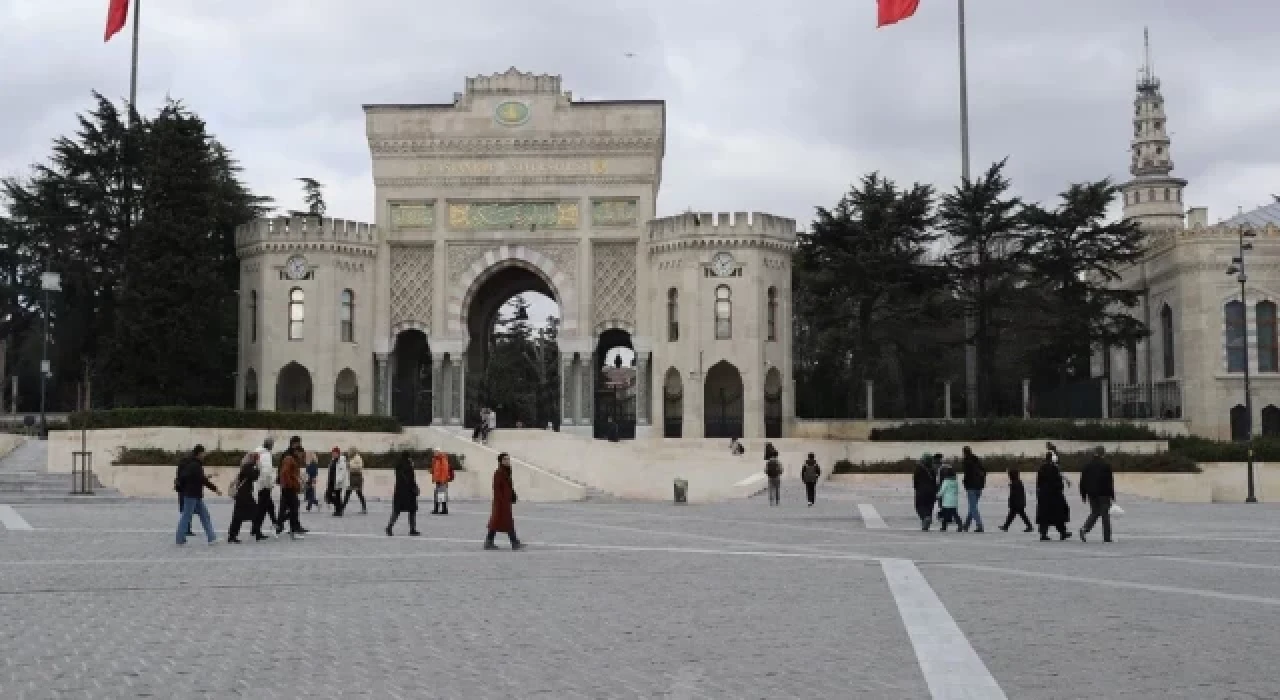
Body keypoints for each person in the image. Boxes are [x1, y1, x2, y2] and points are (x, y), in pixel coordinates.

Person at [175, 445, 221, 545]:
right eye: (204, 453)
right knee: (187, 516)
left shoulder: (192, 464)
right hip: (192, 495)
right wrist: (215, 489)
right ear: (199, 453)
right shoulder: (195, 465)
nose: (205, 455)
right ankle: (179, 538)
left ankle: (212, 538)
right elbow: (202, 480)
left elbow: (196, 478)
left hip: (194, 495)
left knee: (205, 516)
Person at [485, 452, 524, 550]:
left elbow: (509, 486)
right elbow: (496, 489)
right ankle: (514, 543)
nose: (507, 461)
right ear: (500, 461)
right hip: (501, 502)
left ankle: (488, 542)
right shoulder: (498, 472)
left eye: (508, 459)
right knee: (507, 522)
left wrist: (512, 495)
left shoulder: (506, 471)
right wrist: (501, 501)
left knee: (497, 522)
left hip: (505, 501)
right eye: (505, 459)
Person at [1079, 446, 1116, 543]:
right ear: (1103, 453)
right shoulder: (1106, 465)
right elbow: (1109, 481)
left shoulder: (1087, 465)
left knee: (1095, 512)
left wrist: (1083, 494)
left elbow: (1083, 481)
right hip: (1103, 493)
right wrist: (1112, 495)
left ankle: (1084, 529)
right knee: (1105, 515)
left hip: (1091, 493)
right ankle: (1107, 537)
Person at [1036, 451, 1073, 541]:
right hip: (1054, 494)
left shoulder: (1041, 468)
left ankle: (1044, 533)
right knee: (1059, 513)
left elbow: (1039, 483)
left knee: (1045, 514)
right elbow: (1058, 482)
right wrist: (1060, 488)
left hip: (1044, 494)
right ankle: (1062, 532)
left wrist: (1039, 493)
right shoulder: (1054, 469)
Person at [227, 451, 261, 543]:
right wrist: (258, 468)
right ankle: (257, 533)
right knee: (254, 512)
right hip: (244, 495)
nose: (257, 461)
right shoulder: (247, 467)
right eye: (256, 459)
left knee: (238, 516)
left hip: (243, 495)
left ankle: (232, 535)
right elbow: (254, 476)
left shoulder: (246, 466)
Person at [251, 437, 280, 540]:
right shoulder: (266, 455)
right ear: (270, 445)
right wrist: (269, 485)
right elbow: (267, 472)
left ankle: (275, 524)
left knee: (269, 506)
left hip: (259, 484)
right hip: (264, 486)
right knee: (261, 509)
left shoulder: (258, 452)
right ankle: (257, 530)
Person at [386, 452, 420, 536]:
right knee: (412, 511)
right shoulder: (409, 466)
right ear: (408, 457)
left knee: (396, 511)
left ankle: (389, 526)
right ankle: (412, 529)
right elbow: (411, 480)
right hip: (409, 492)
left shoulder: (398, 466)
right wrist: (415, 488)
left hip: (399, 491)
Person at [276, 445, 306, 539]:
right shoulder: (289, 459)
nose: (302, 456)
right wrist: (290, 484)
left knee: (292, 508)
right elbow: (284, 472)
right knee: (293, 508)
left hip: (289, 488)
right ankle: (289, 528)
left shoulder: (292, 459)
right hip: (289, 488)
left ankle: (280, 524)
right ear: (297, 452)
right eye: (302, 454)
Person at [997, 468, 1033, 533]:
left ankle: (1029, 526)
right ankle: (1006, 526)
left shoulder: (1015, 483)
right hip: (1019, 502)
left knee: (1016, 514)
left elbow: (1014, 495)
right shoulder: (1017, 482)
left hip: (1016, 503)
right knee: (1015, 515)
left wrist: (1011, 502)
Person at [960, 446, 986, 533]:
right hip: (979, 487)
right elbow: (984, 472)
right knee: (973, 507)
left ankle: (979, 525)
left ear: (964, 452)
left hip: (971, 487)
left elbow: (967, 475)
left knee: (973, 507)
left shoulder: (966, 462)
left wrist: (965, 483)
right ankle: (966, 525)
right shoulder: (977, 460)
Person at [913, 453, 937, 531]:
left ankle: (925, 518)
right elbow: (934, 481)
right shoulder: (933, 469)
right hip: (932, 491)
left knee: (919, 506)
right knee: (929, 507)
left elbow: (915, 480)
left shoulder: (919, 468)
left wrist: (916, 488)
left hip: (921, 490)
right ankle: (926, 523)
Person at [936, 464, 962, 531]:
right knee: (955, 514)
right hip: (954, 502)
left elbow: (942, 490)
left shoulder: (946, 481)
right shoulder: (955, 482)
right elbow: (957, 490)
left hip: (947, 502)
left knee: (945, 515)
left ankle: (944, 527)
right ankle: (960, 525)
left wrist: (937, 496)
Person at [344, 447, 367, 514]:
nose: (348, 453)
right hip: (351, 477)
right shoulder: (351, 458)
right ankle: (342, 507)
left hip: (357, 477)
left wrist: (349, 465)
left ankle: (364, 508)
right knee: (348, 493)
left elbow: (360, 466)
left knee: (357, 493)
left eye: (349, 451)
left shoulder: (358, 458)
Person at [431, 450, 455, 515]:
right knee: (437, 495)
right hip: (438, 480)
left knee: (441, 495)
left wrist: (442, 480)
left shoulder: (442, 460)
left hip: (442, 481)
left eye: (435, 452)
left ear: (438, 453)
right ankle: (439, 509)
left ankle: (442, 509)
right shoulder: (436, 460)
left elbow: (444, 471)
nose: (434, 453)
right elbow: (435, 470)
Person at [329, 447, 350, 517]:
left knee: (337, 496)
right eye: (333, 453)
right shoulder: (333, 460)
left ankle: (338, 511)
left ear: (338, 453)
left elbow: (342, 472)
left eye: (335, 453)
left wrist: (338, 480)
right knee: (328, 496)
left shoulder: (342, 461)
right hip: (331, 481)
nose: (333, 454)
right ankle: (339, 508)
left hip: (338, 482)